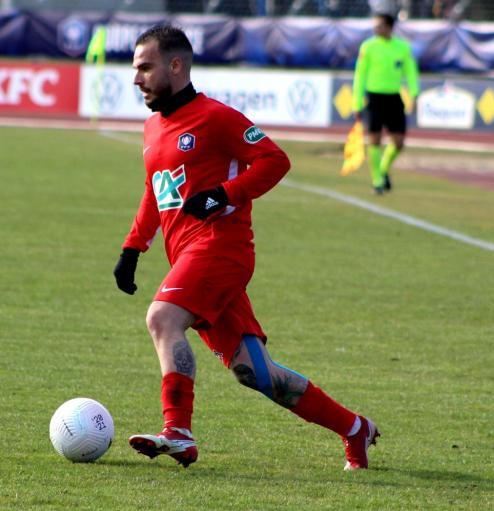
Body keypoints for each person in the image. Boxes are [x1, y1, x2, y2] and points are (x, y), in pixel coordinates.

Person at [113, 25, 380, 471]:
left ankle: (178, 430)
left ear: (175, 65)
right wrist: (132, 247)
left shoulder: (216, 117)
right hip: (190, 256)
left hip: (221, 247)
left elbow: (275, 160)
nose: (136, 78)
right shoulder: (153, 127)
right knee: (256, 374)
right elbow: (154, 190)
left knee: (162, 318)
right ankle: (356, 429)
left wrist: (224, 194)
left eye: (145, 67)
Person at [352, 12, 420, 194]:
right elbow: (360, 75)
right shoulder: (368, 47)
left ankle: (382, 170)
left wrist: (414, 94)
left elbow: (411, 73)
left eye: (379, 26)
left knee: (398, 142)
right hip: (373, 98)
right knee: (374, 140)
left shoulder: (402, 48)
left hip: (393, 99)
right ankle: (377, 181)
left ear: (389, 27)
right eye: (375, 26)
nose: (376, 29)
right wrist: (356, 102)